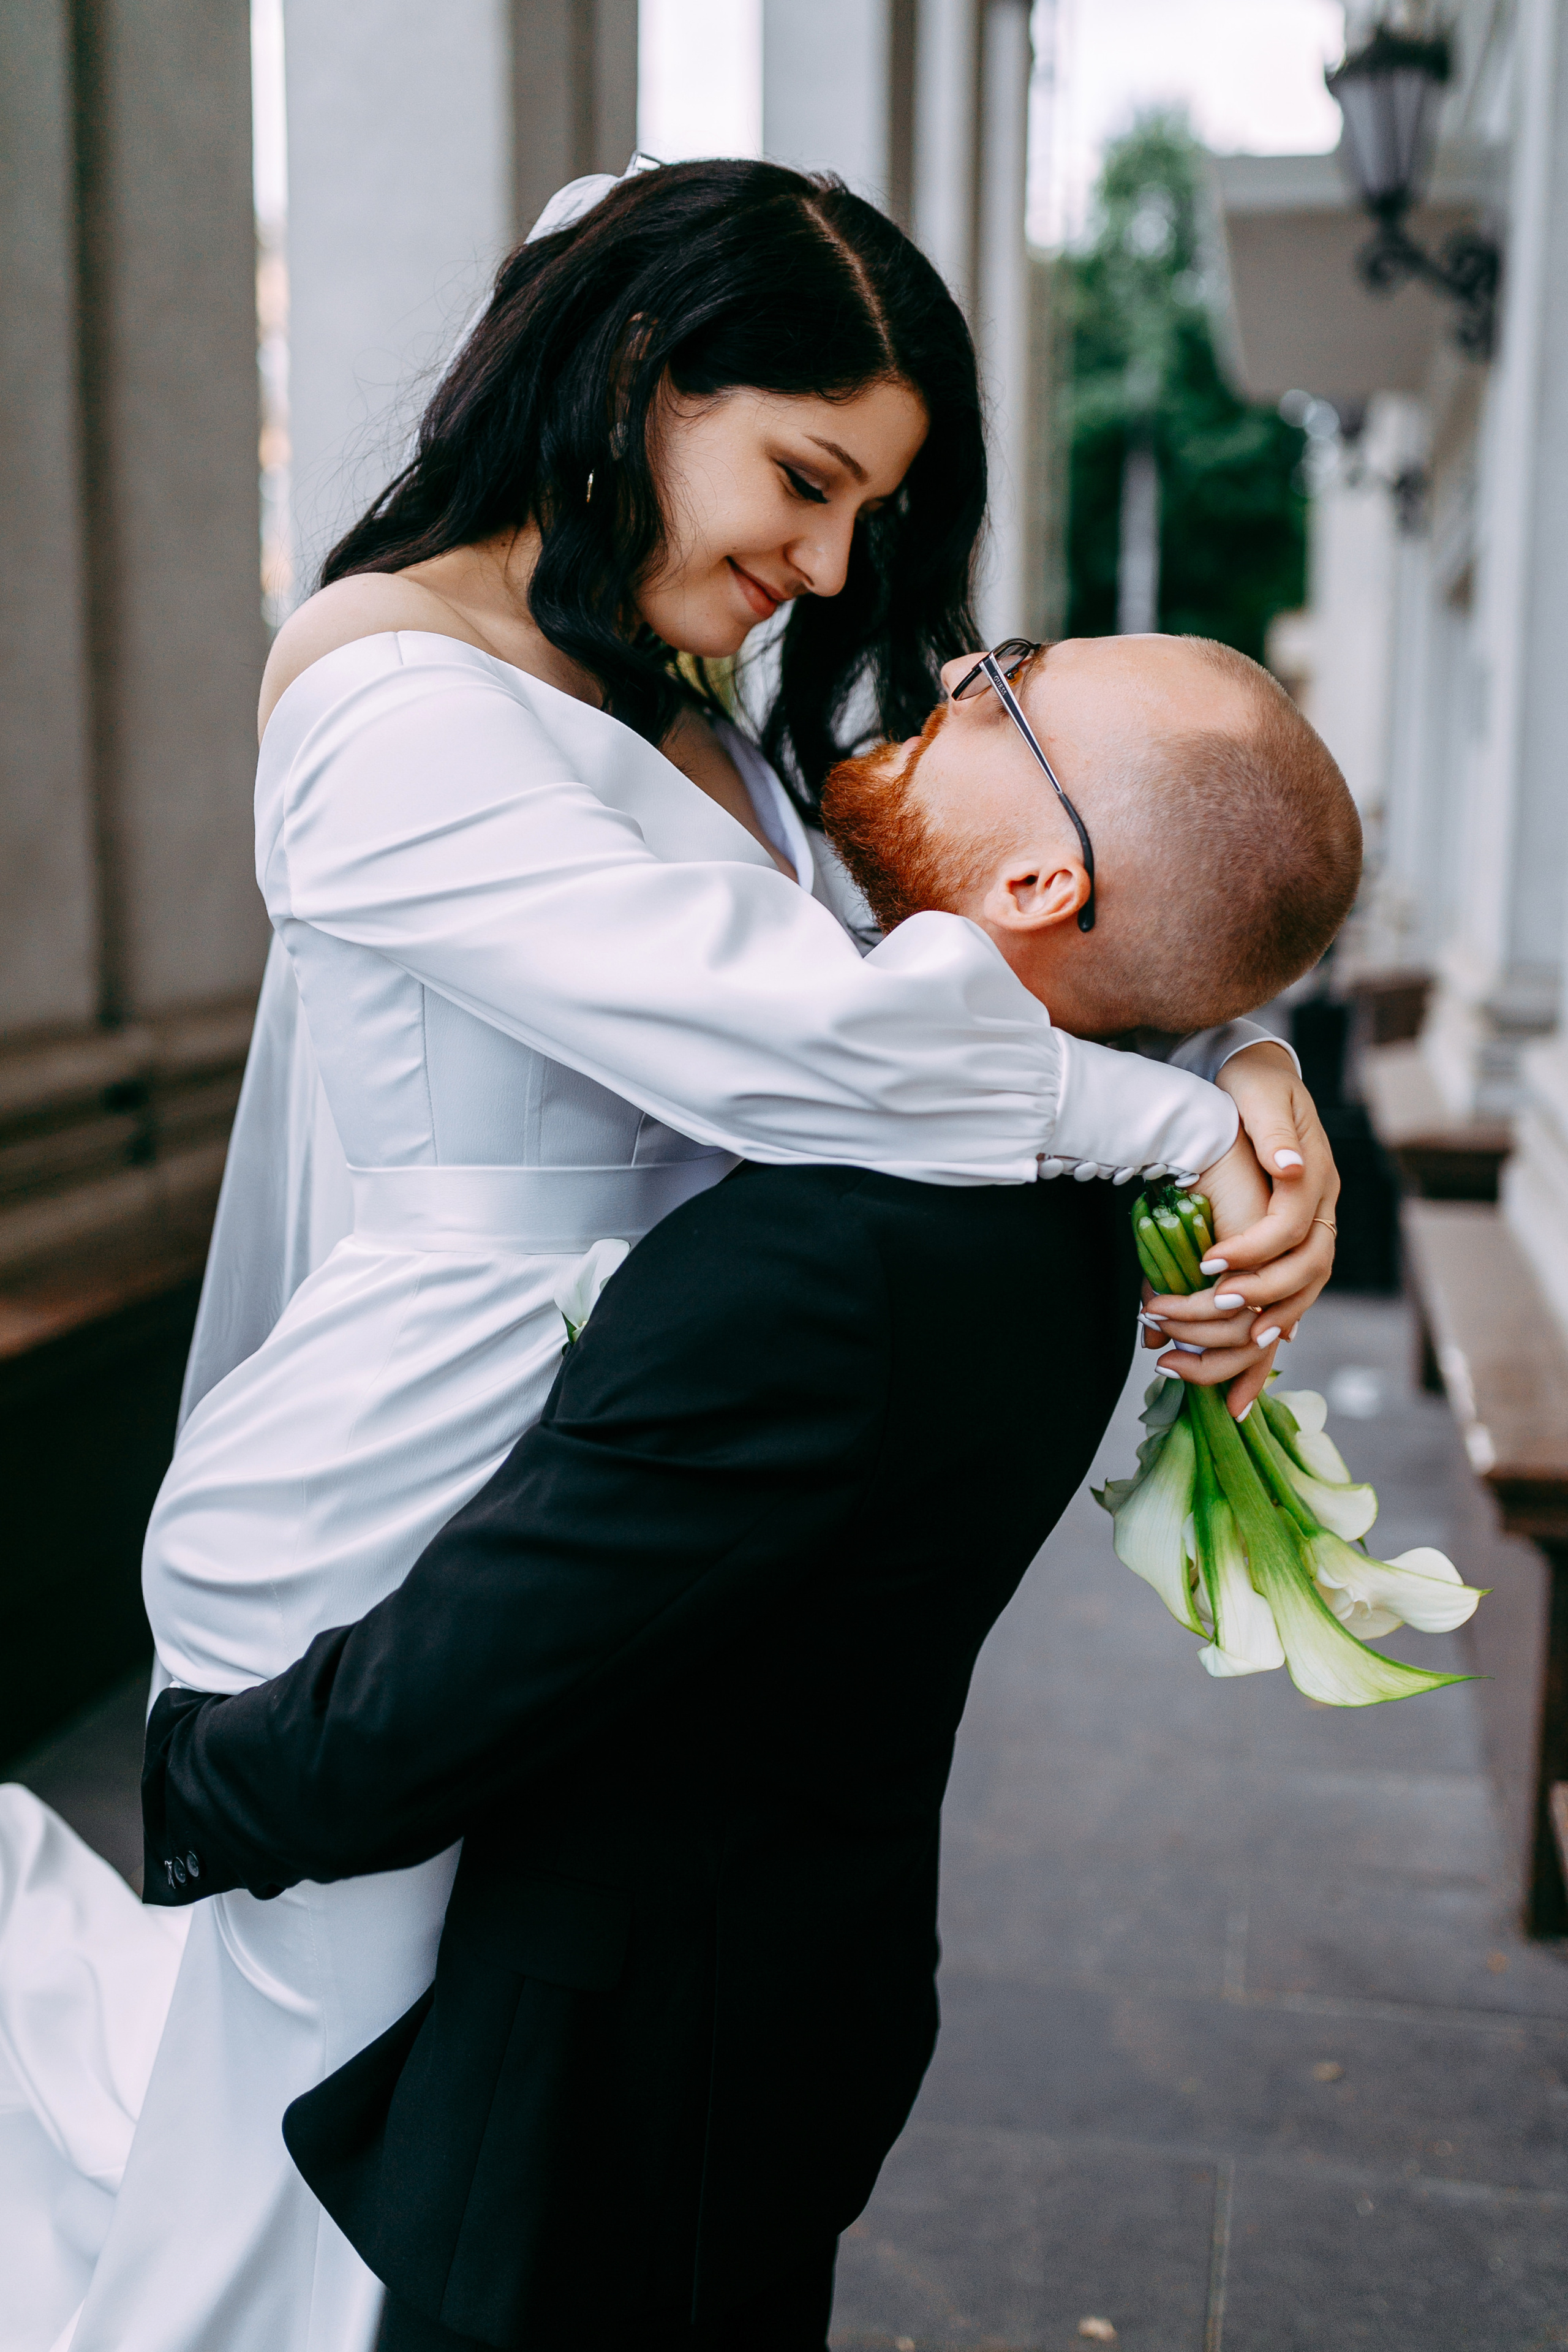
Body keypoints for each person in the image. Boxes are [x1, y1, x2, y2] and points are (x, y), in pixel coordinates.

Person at [0, 157, 1333, 2352]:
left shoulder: (685, 699)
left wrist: (1249, 1038)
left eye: (859, 514)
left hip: (593, 1490)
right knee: (317, 2179)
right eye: (803, 479)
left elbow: (989, 914)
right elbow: (812, 1033)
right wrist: (1193, 1112)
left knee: (441, 2149)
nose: (824, 565)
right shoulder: (388, 703)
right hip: (393, 1497)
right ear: (639, 372)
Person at [138, 631, 1362, 2351]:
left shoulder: (834, 1257)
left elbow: (468, 1676)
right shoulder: (1060, 1196)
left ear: (1039, 874)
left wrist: (197, 1779)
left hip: (610, 2082)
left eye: (1000, 687)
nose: (943, 674)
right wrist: (1239, 1058)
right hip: (789, 2002)